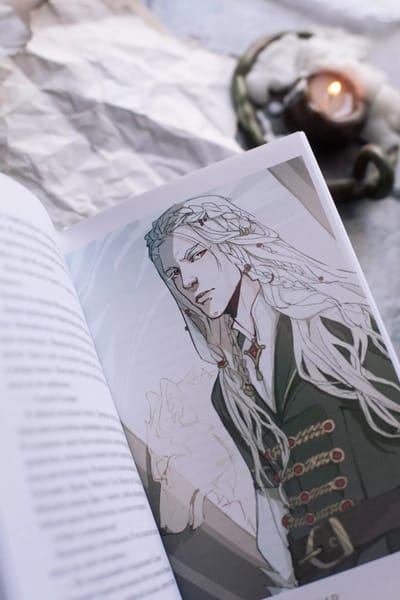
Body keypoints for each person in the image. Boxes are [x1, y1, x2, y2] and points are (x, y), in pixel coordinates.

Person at [145, 194, 400, 591]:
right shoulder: (227, 393)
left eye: (196, 255)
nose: (188, 281)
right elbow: (270, 503)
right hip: (321, 580)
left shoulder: (335, 329)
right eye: (174, 273)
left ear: (233, 245)